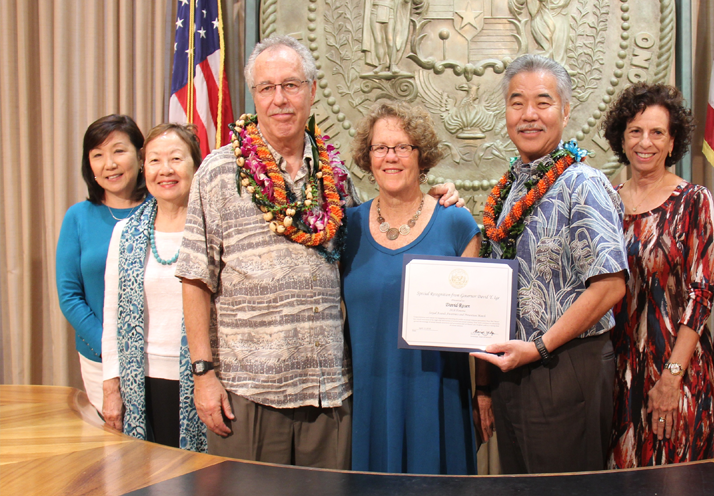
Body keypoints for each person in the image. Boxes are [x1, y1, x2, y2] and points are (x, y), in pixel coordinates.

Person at [175, 35, 460, 468]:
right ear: (254, 97)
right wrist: (203, 374)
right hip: (250, 390)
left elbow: (382, 226)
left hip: (329, 392)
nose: (279, 99)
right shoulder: (218, 173)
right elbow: (195, 278)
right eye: (266, 88)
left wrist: (439, 201)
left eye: (290, 85)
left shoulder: (335, 176)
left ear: (311, 90)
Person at [473, 54, 628, 474]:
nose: (528, 115)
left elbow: (611, 286)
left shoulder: (584, 183)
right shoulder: (509, 188)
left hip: (564, 367)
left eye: (542, 102)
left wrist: (539, 347)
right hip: (513, 370)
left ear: (565, 109)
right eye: (516, 102)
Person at [341, 100, 480, 474]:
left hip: (437, 397)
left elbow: (475, 325)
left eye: (403, 147)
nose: (391, 157)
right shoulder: (347, 227)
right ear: (368, 157)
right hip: (369, 400)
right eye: (380, 148)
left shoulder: (456, 224)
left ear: (422, 156)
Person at [600, 83, 714, 468]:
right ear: (622, 138)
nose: (645, 142)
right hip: (616, 370)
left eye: (657, 133)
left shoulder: (693, 200)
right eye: (636, 131)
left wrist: (672, 377)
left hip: (676, 367)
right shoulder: (604, 199)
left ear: (673, 143)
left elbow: (702, 293)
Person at [101, 124, 206, 451]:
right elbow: (111, 317)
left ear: (195, 165)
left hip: (204, 380)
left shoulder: (213, 230)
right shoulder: (125, 233)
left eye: (176, 158)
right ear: (144, 168)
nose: (166, 170)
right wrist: (110, 389)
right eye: (155, 160)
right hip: (141, 382)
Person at [56, 115, 148, 412]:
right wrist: (111, 352)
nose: (109, 163)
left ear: (140, 155)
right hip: (99, 359)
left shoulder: (164, 210)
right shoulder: (78, 217)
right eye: (98, 155)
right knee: (116, 452)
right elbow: (70, 296)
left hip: (157, 358)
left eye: (119, 151)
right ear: (89, 165)